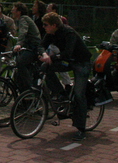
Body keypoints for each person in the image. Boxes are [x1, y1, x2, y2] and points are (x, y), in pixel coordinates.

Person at [39, 12, 92, 141]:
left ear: (54, 25)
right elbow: (41, 45)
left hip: (81, 62)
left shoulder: (69, 33)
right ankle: (61, 93)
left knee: (79, 94)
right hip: (69, 61)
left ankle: (81, 129)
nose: (44, 27)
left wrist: (51, 57)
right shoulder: (51, 33)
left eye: (45, 25)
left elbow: (67, 53)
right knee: (45, 68)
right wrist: (44, 54)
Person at [11, 2, 42, 92]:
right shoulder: (22, 19)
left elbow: (23, 31)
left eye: (14, 9)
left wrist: (19, 44)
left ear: (19, 12)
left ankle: (29, 88)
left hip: (34, 47)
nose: (12, 11)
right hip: (29, 46)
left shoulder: (23, 19)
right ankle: (22, 91)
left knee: (20, 63)